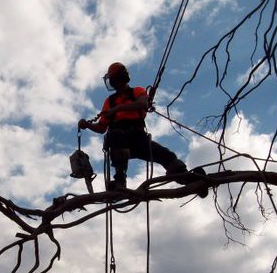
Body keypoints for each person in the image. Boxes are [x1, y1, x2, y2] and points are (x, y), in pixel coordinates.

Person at [78, 62, 208, 197]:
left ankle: (188, 178)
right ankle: (120, 179)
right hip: (119, 142)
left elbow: (142, 103)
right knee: (117, 134)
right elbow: (101, 128)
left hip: (138, 138)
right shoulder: (109, 101)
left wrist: (117, 109)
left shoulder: (137, 92)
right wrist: (88, 125)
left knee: (167, 155)